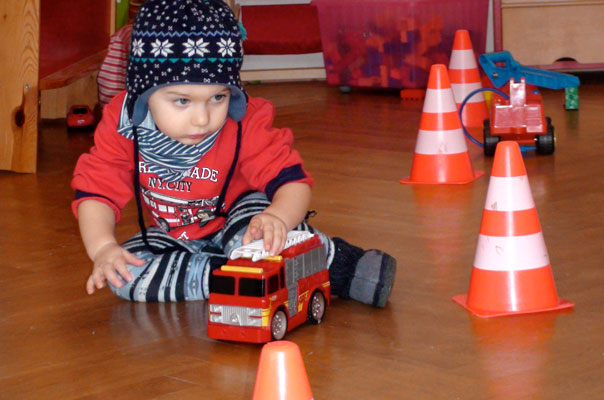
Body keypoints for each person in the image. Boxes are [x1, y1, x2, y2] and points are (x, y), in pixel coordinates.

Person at [72, 0, 396, 307]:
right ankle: (230, 275)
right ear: (144, 92)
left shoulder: (245, 121)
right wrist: (103, 248)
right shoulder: (123, 123)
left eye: (218, 97)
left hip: (242, 219)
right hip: (177, 237)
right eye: (182, 101)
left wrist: (277, 218)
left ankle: (343, 265)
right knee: (123, 274)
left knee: (257, 237)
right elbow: (97, 192)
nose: (202, 119)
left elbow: (293, 183)